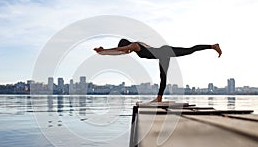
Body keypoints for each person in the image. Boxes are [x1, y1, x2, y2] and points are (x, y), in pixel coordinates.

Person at [94, 39, 222, 102]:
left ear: (125, 44)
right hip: (162, 55)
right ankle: (159, 99)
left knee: (189, 50)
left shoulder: (134, 45)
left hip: (165, 51)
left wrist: (104, 50)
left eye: (125, 48)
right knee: (163, 77)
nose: (126, 51)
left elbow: (120, 49)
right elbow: (121, 51)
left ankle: (212, 46)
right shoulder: (137, 45)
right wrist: (104, 50)